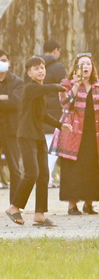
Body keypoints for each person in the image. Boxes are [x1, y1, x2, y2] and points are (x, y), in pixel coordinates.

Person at [5, 56, 69, 227]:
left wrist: (60, 125)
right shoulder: (30, 88)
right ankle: (13, 207)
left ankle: (40, 214)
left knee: (44, 175)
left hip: (38, 135)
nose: (41, 70)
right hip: (26, 135)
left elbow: (43, 115)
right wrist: (61, 87)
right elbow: (51, 88)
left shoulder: (40, 90)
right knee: (31, 173)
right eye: (36, 68)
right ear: (29, 72)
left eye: (42, 67)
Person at [53, 53, 99, 216]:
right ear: (75, 68)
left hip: (93, 133)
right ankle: (72, 205)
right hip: (72, 132)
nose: (86, 67)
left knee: (92, 168)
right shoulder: (66, 84)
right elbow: (65, 104)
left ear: (93, 67)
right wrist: (76, 85)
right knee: (71, 169)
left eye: (88, 64)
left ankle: (89, 204)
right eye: (82, 64)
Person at [41, 39, 65, 187]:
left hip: (39, 110)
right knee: (52, 147)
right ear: (56, 50)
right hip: (55, 111)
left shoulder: (34, 65)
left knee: (43, 147)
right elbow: (65, 87)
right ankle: (47, 179)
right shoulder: (58, 67)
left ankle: (46, 178)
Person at [0, 49, 22, 193]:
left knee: (14, 167)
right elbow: (9, 100)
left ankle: (16, 204)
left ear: (9, 62)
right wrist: (4, 97)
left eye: (3, 60)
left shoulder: (17, 82)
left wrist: (7, 99)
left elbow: (15, 102)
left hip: (11, 129)